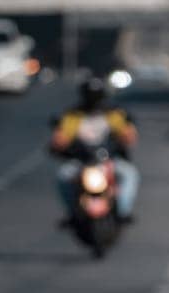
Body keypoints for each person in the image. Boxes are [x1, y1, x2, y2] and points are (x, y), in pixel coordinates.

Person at [50, 76, 139, 224]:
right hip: (82, 162)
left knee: (130, 174)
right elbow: (60, 139)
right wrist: (59, 144)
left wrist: (125, 137)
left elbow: (129, 135)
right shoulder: (74, 116)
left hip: (109, 161)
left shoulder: (113, 114)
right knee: (63, 176)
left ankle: (123, 211)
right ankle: (73, 212)